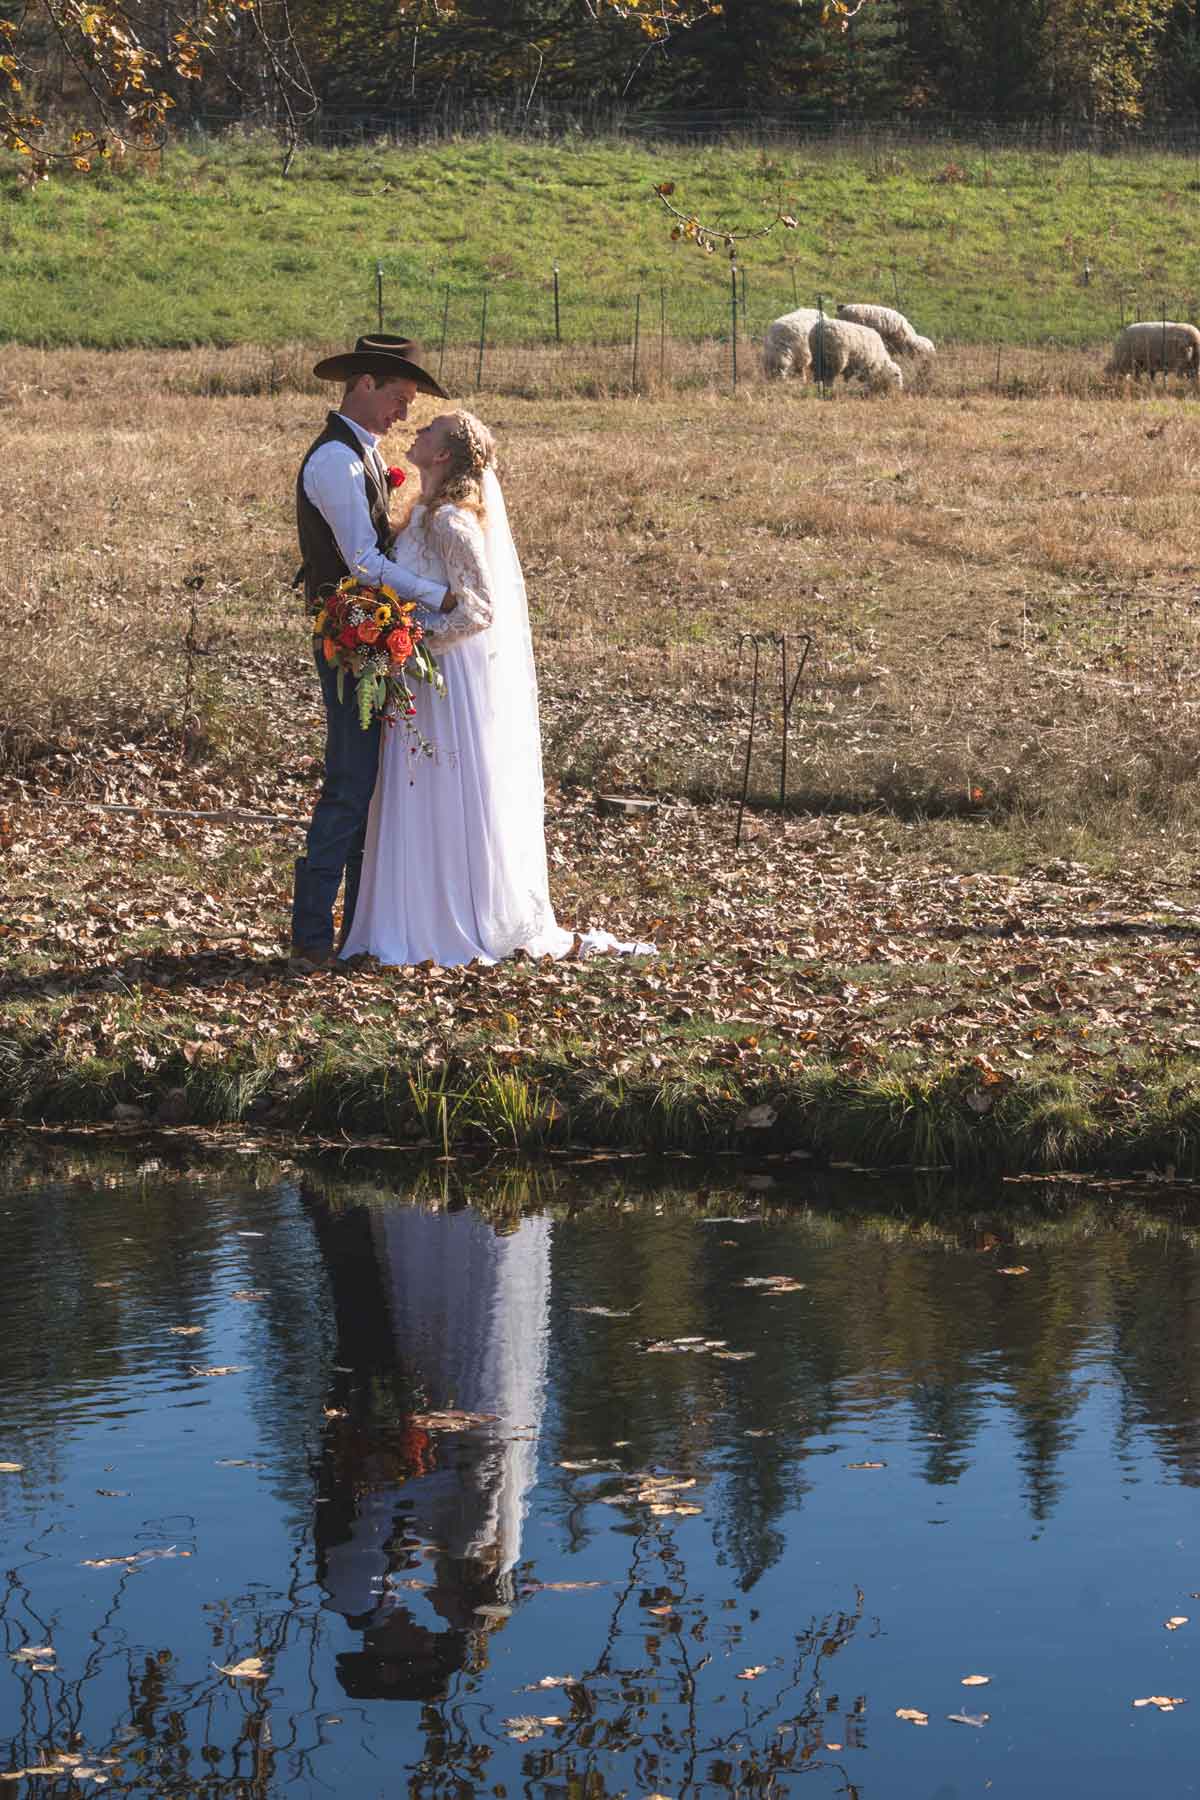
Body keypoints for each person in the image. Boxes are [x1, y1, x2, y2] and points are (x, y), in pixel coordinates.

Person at [340, 410, 654, 966]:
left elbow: (480, 609)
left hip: (446, 677)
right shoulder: (424, 514)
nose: (417, 430)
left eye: (430, 430)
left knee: (439, 789)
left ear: (443, 456)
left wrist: (409, 638)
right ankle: (411, 916)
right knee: (415, 791)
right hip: (423, 671)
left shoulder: (452, 523)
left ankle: (447, 920)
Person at [289, 334, 457, 977]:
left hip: (369, 634)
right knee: (350, 781)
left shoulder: (361, 454)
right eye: (397, 397)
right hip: (348, 637)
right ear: (362, 384)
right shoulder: (336, 461)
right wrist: (438, 594)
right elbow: (362, 561)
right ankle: (311, 933)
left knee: (369, 784)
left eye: (410, 401)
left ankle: (357, 923)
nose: (404, 414)